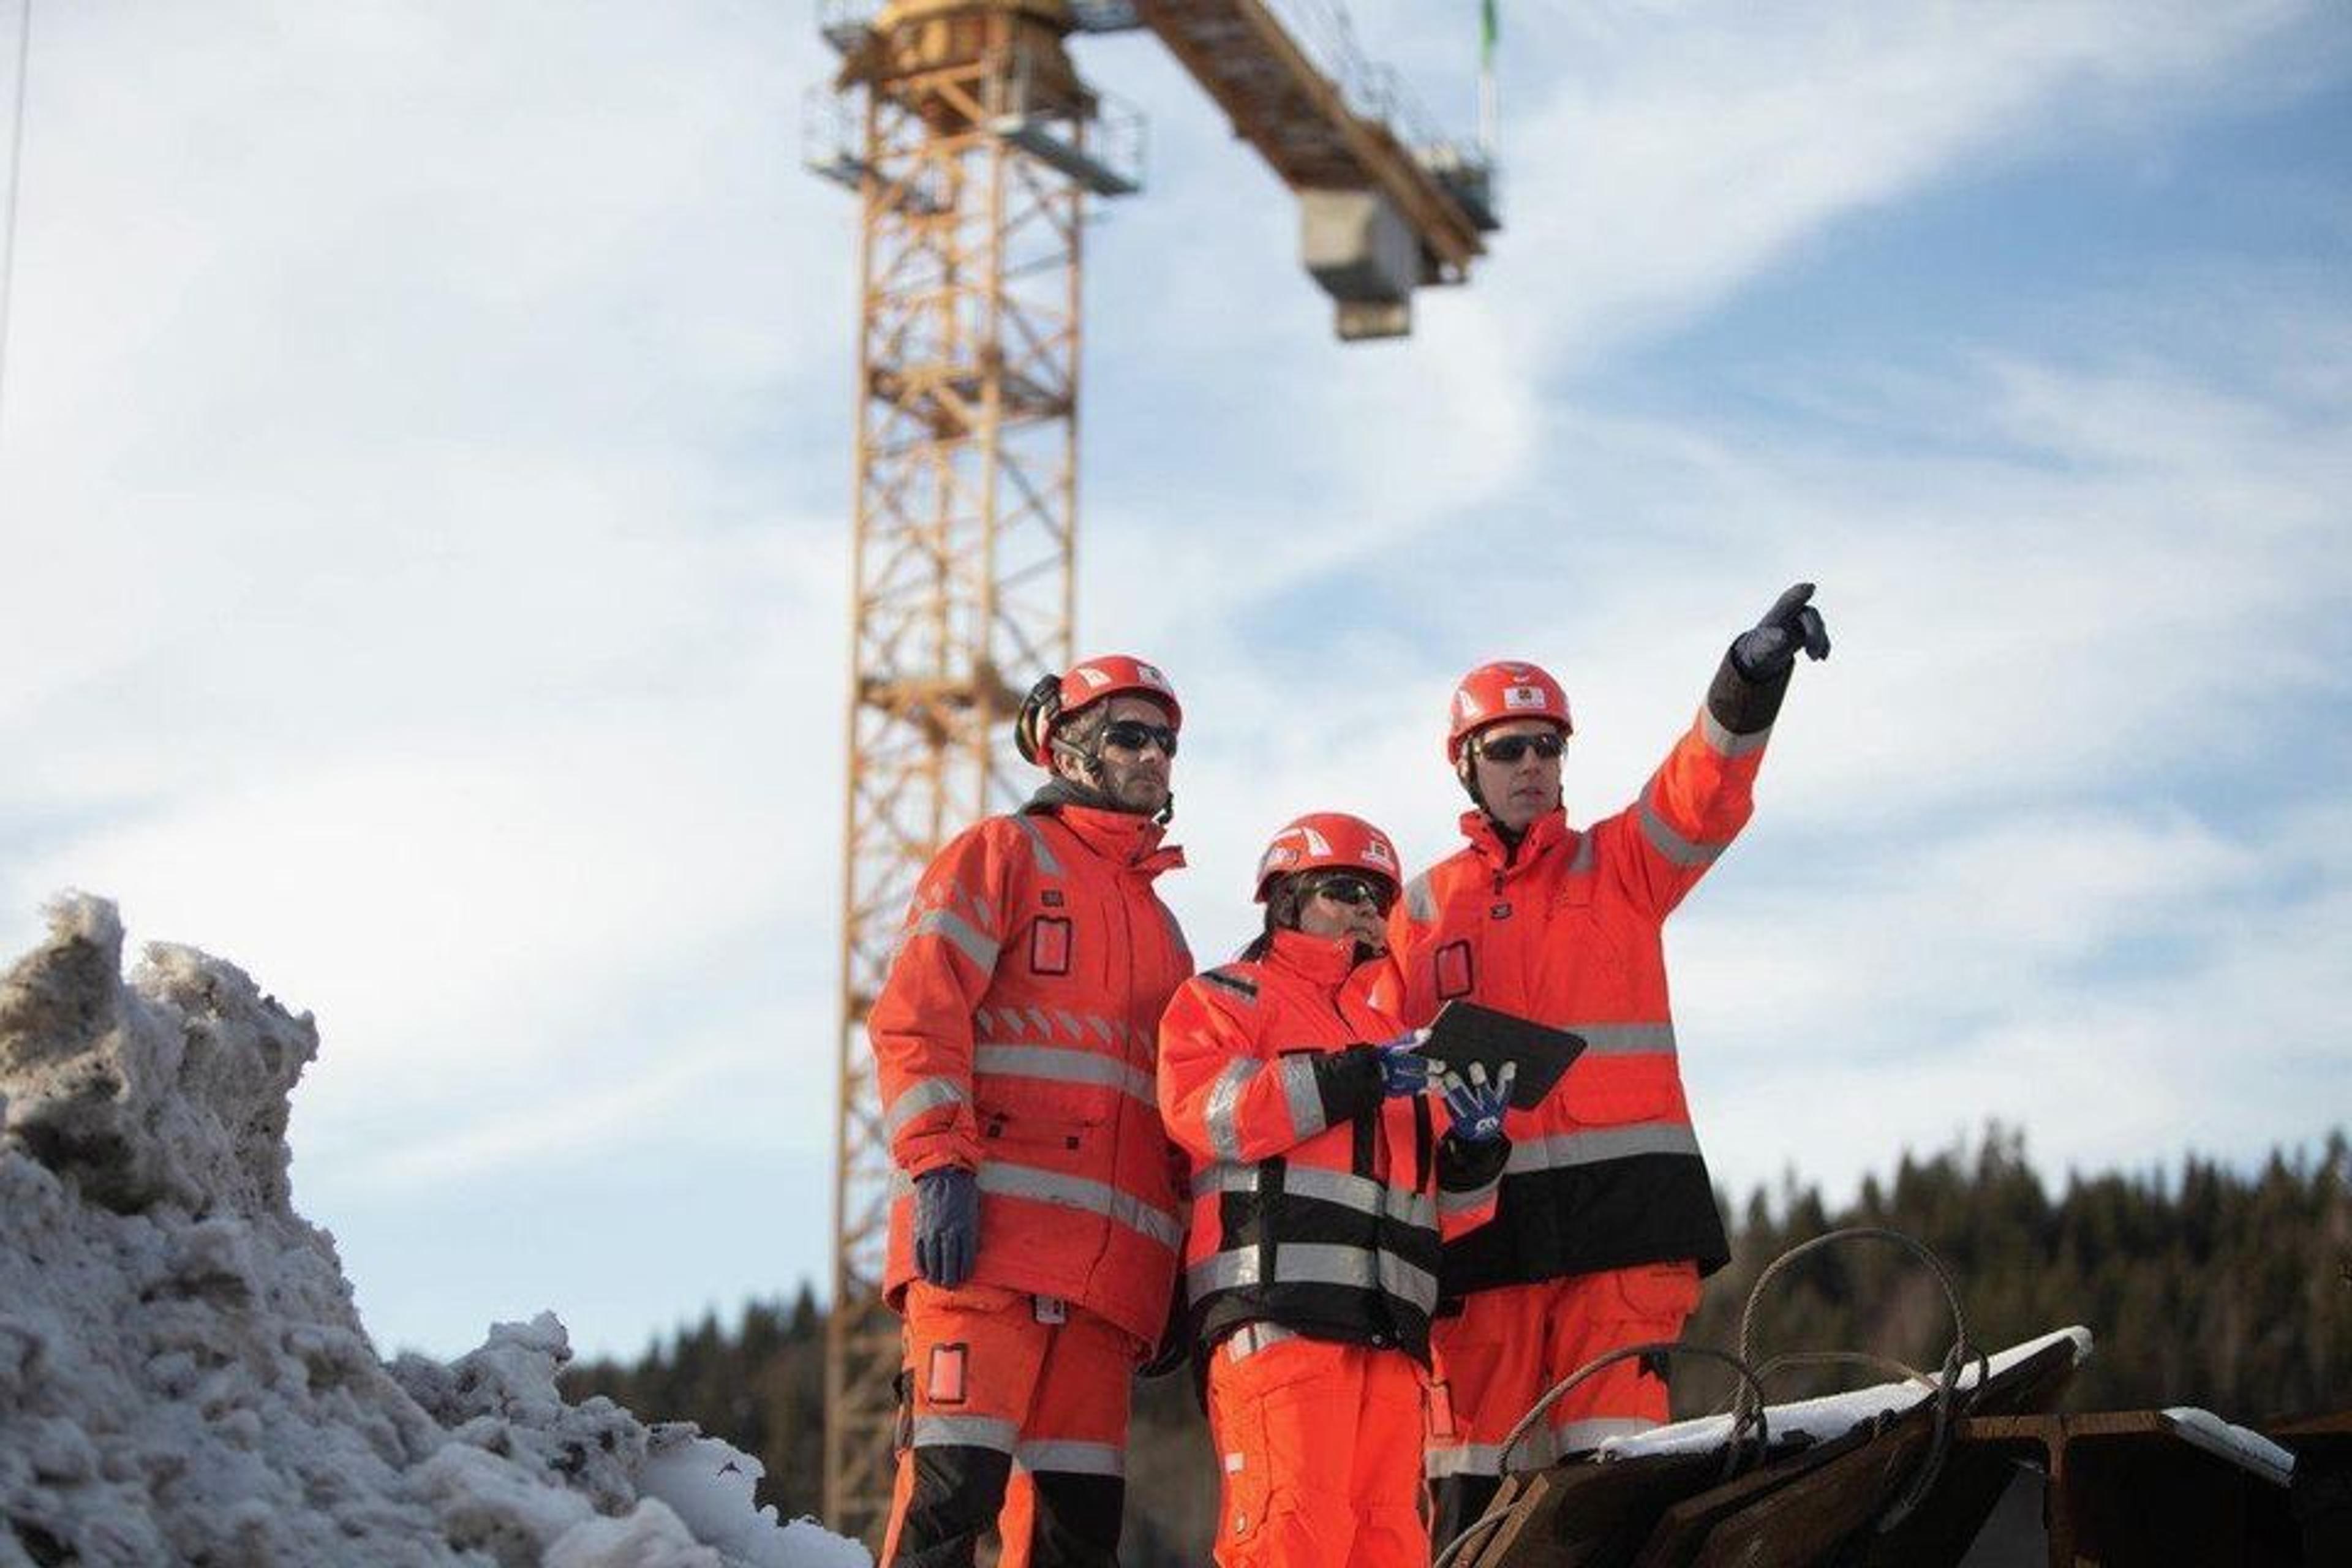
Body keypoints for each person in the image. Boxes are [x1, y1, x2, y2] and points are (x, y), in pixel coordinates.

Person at [1381, 584, 1831, 1542]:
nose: (1532, 766)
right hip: (1485, 1239)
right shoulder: (1417, 913)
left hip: (1624, 1228)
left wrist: (1744, 683)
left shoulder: (1622, 866)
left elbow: (1702, 794)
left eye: (1548, 748)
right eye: (1509, 748)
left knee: (1615, 1486)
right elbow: (1371, 1063)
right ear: (1467, 766)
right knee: (1474, 1488)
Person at [869, 654, 1194, 1568]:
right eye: (1129, 735)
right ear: (1069, 750)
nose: (1153, 755)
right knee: (949, 1502)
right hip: (982, 1253)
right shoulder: (1001, 855)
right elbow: (915, 1017)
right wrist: (939, 1164)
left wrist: (1173, 1269)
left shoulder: (1164, 930)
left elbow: (1173, 1117)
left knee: (1076, 1536)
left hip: (1101, 1293)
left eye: (1165, 741)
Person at [1159, 812, 1517, 1568]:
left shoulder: (1394, 1036)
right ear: (1286, 899)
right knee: (1292, 1537)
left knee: (1389, 1546)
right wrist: (1358, 1075)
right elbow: (1212, 1113)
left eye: (1378, 899)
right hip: (1280, 1320)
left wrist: (1475, 1151)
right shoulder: (1223, 998)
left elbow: (1442, 1215)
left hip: (1390, 1340)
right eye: (1345, 890)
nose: (1365, 910)